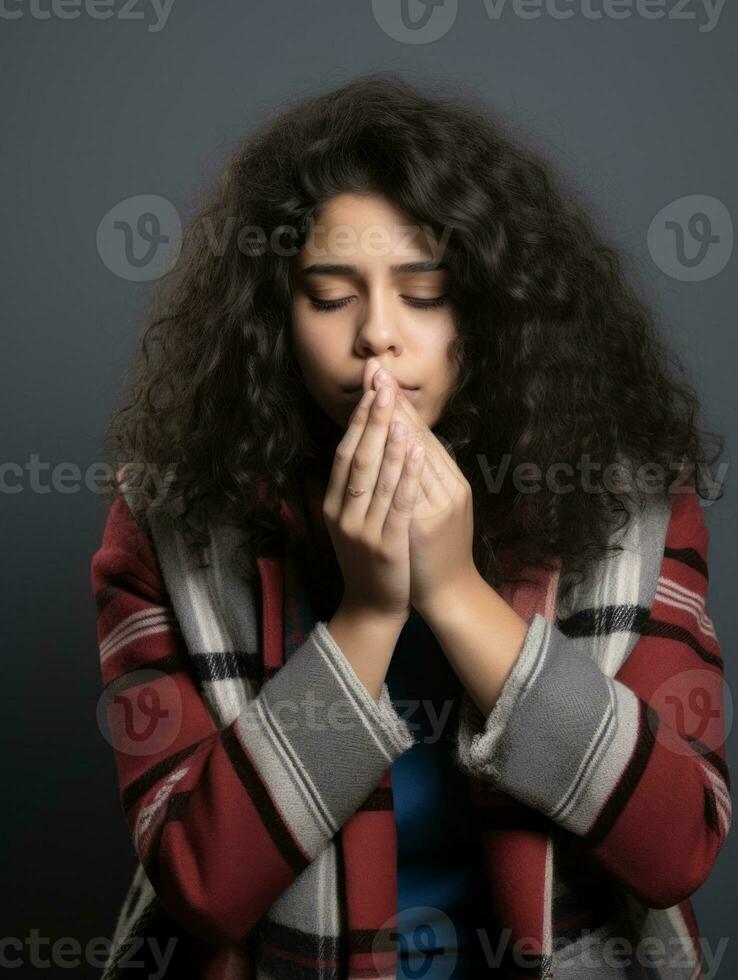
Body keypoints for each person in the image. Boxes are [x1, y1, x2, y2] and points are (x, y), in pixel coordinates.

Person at [91, 73, 731, 979]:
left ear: (491, 314)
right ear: (275, 319)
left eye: (424, 291)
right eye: (329, 294)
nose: (377, 336)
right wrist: (367, 616)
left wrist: (457, 593)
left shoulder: (632, 506)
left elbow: (678, 848)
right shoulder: (166, 522)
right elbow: (200, 884)